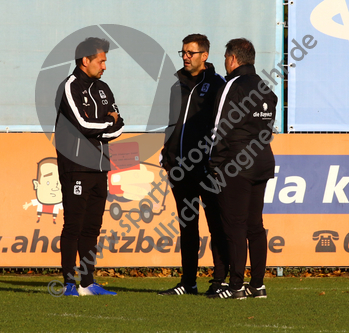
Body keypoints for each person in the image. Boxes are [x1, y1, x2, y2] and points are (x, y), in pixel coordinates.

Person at [159, 34, 229, 296]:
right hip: (179, 168)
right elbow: (171, 124)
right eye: (183, 52)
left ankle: (220, 281)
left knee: (216, 225)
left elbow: (221, 126)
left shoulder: (217, 84)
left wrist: (212, 159)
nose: (186, 56)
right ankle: (188, 282)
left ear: (205, 56)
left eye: (191, 52)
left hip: (207, 168)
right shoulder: (176, 84)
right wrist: (167, 154)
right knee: (187, 227)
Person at [208, 38, 277, 299]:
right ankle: (257, 284)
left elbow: (218, 129)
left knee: (234, 226)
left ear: (233, 59)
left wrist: (214, 164)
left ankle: (235, 286)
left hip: (236, 164)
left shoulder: (232, 86)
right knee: (255, 225)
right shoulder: (266, 88)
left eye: (226, 58)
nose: (225, 63)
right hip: (261, 160)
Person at [55, 37, 124, 296]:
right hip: (75, 167)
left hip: (100, 167)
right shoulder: (69, 86)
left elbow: (121, 125)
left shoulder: (104, 88)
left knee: (93, 226)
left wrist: (104, 124)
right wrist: (108, 122)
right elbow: (83, 126)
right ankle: (68, 283)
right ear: (86, 61)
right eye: (101, 60)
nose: (105, 66)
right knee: (74, 224)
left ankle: (87, 282)